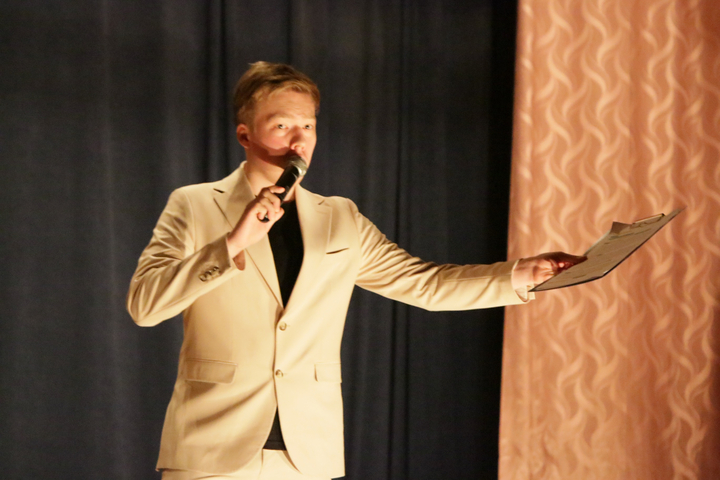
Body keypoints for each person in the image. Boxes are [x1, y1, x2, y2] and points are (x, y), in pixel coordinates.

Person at [126, 61, 585, 480]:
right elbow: (145, 306)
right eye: (282, 126)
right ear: (245, 135)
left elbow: (425, 284)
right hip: (212, 449)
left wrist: (520, 275)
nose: (299, 141)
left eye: (308, 126)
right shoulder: (195, 205)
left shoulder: (340, 217)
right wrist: (233, 243)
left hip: (307, 453)